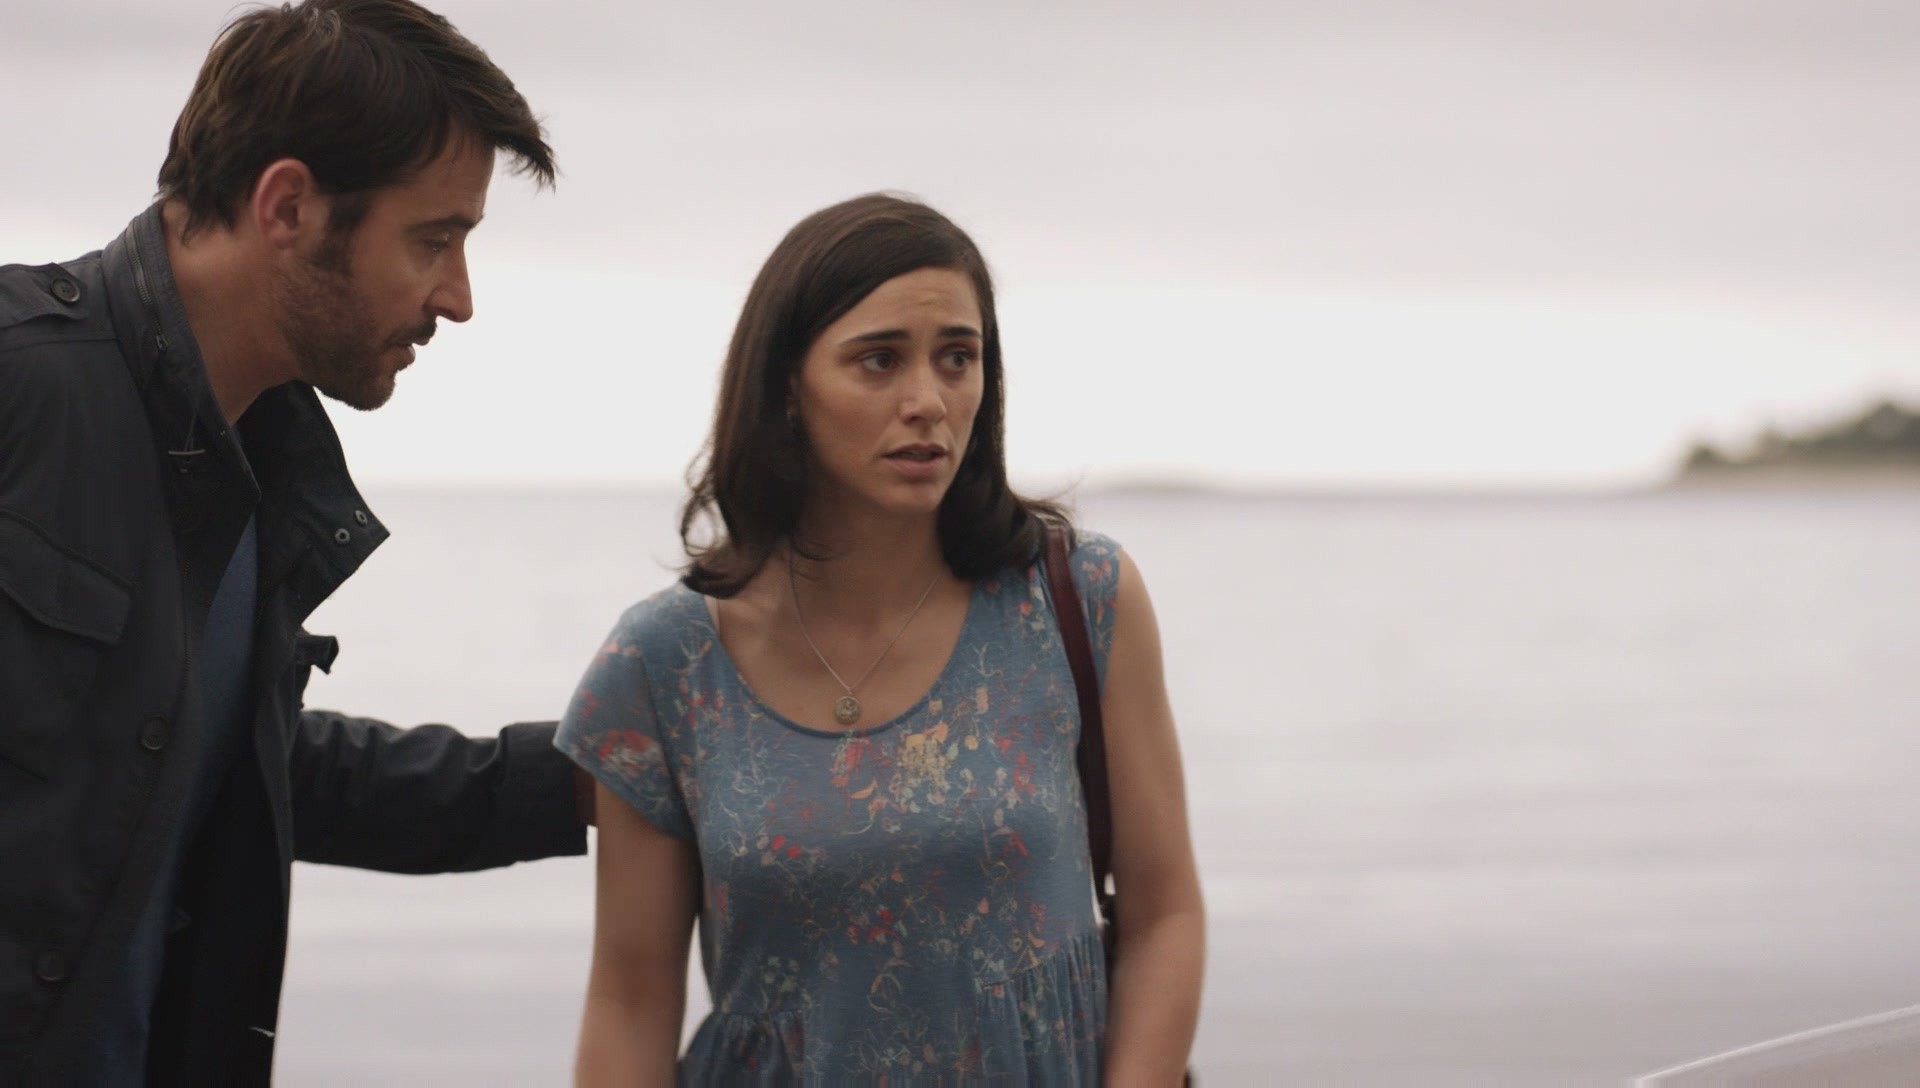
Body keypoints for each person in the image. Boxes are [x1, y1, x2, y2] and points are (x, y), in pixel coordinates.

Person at [0, 2, 591, 1083]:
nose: (458, 298)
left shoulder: (255, 462)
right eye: (434, 238)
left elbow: (240, 763)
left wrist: (588, 774)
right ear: (287, 206)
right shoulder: (21, 384)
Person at [558, 193, 1206, 1084]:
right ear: (787, 387)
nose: (928, 402)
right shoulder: (664, 663)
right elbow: (630, 999)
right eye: (879, 360)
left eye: (957, 358)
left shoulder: (1080, 600)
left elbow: (1165, 915)